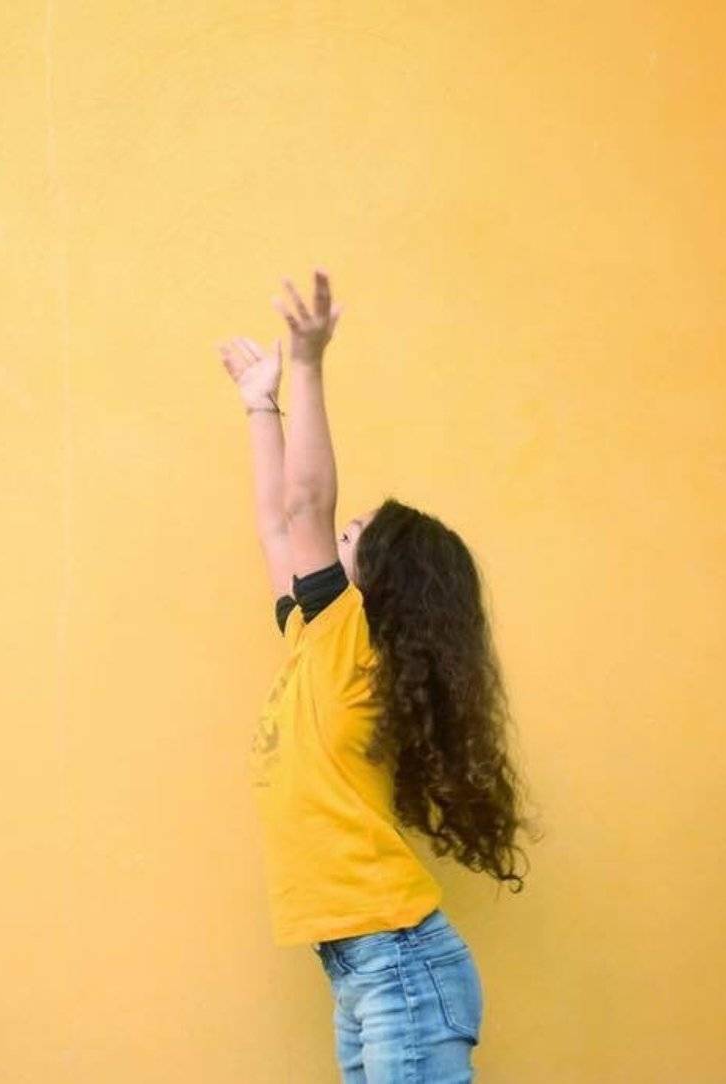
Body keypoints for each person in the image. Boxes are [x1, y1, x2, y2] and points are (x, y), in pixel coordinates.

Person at [217, 269, 540, 1083]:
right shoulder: (315, 641)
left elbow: (303, 507)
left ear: (384, 582)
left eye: (352, 533)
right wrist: (259, 407)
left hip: (399, 967)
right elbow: (276, 528)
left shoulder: (352, 637)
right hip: (368, 970)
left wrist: (308, 365)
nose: (333, 536)